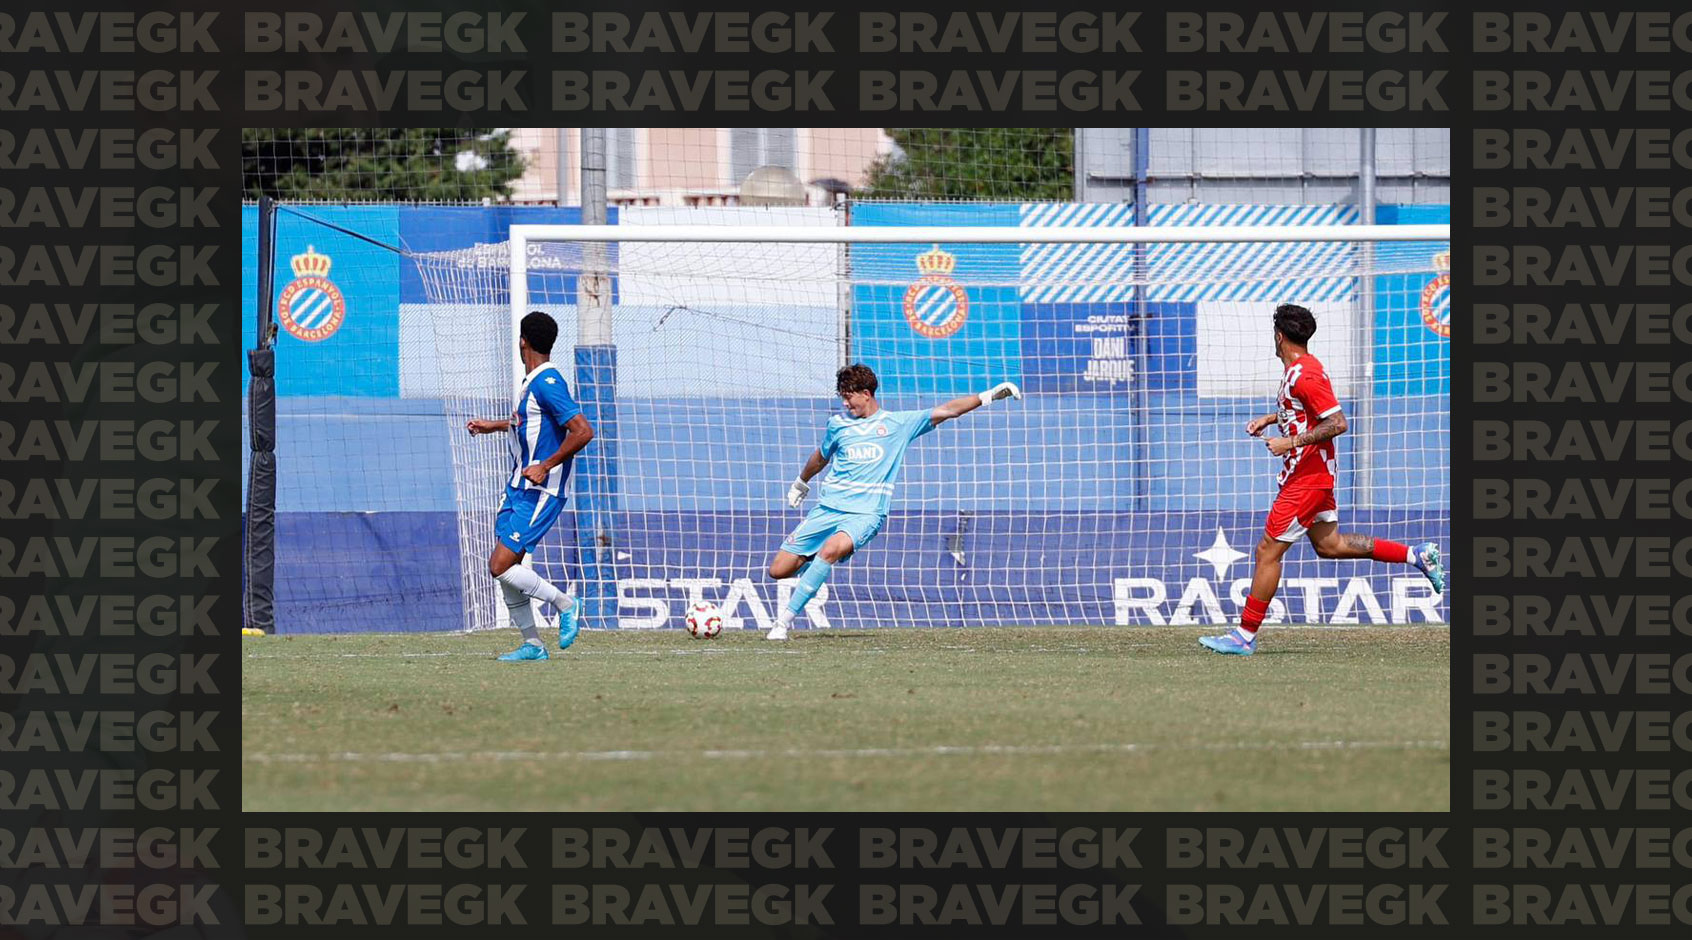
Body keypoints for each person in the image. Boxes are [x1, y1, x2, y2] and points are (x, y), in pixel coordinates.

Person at [1199, 304, 1445, 656]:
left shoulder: (1305, 374)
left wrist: (1289, 441)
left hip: (1308, 478)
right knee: (1330, 546)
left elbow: (1338, 423)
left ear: (1279, 336)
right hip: (1311, 475)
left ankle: (1244, 635)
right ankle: (1416, 555)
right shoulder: (1299, 371)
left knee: (1267, 551)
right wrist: (1272, 419)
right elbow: (1305, 409)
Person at [765, 363, 1022, 640]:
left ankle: (782, 624)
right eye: (842, 395)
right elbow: (821, 455)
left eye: (848, 395)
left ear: (866, 393)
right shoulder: (838, 425)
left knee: (829, 550)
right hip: (827, 509)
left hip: (865, 514)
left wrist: (989, 396)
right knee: (778, 570)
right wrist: (801, 481)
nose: (844, 402)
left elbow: (948, 410)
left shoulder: (897, 424)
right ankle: (818, 562)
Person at [466, 311, 595, 661]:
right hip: (517, 488)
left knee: (500, 565)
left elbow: (583, 430)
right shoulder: (531, 382)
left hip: (541, 490)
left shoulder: (547, 382)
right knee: (507, 570)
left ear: (523, 341)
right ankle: (533, 645)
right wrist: (491, 426)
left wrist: (546, 465)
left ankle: (566, 604)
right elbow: (525, 423)